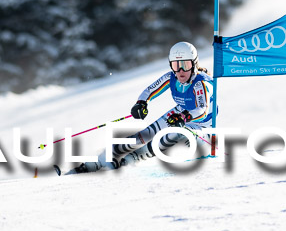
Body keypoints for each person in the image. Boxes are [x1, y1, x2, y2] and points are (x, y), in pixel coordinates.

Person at [60, 41, 214, 175]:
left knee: (171, 135)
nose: (180, 71)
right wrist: (141, 103)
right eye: (176, 65)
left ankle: (129, 162)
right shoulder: (171, 77)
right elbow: (149, 90)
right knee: (143, 136)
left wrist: (184, 117)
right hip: (180, 114)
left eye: (185, 65)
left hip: (201, 127)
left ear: (194, 63)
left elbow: (202, 109)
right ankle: (95, 163)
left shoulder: (201, 82)